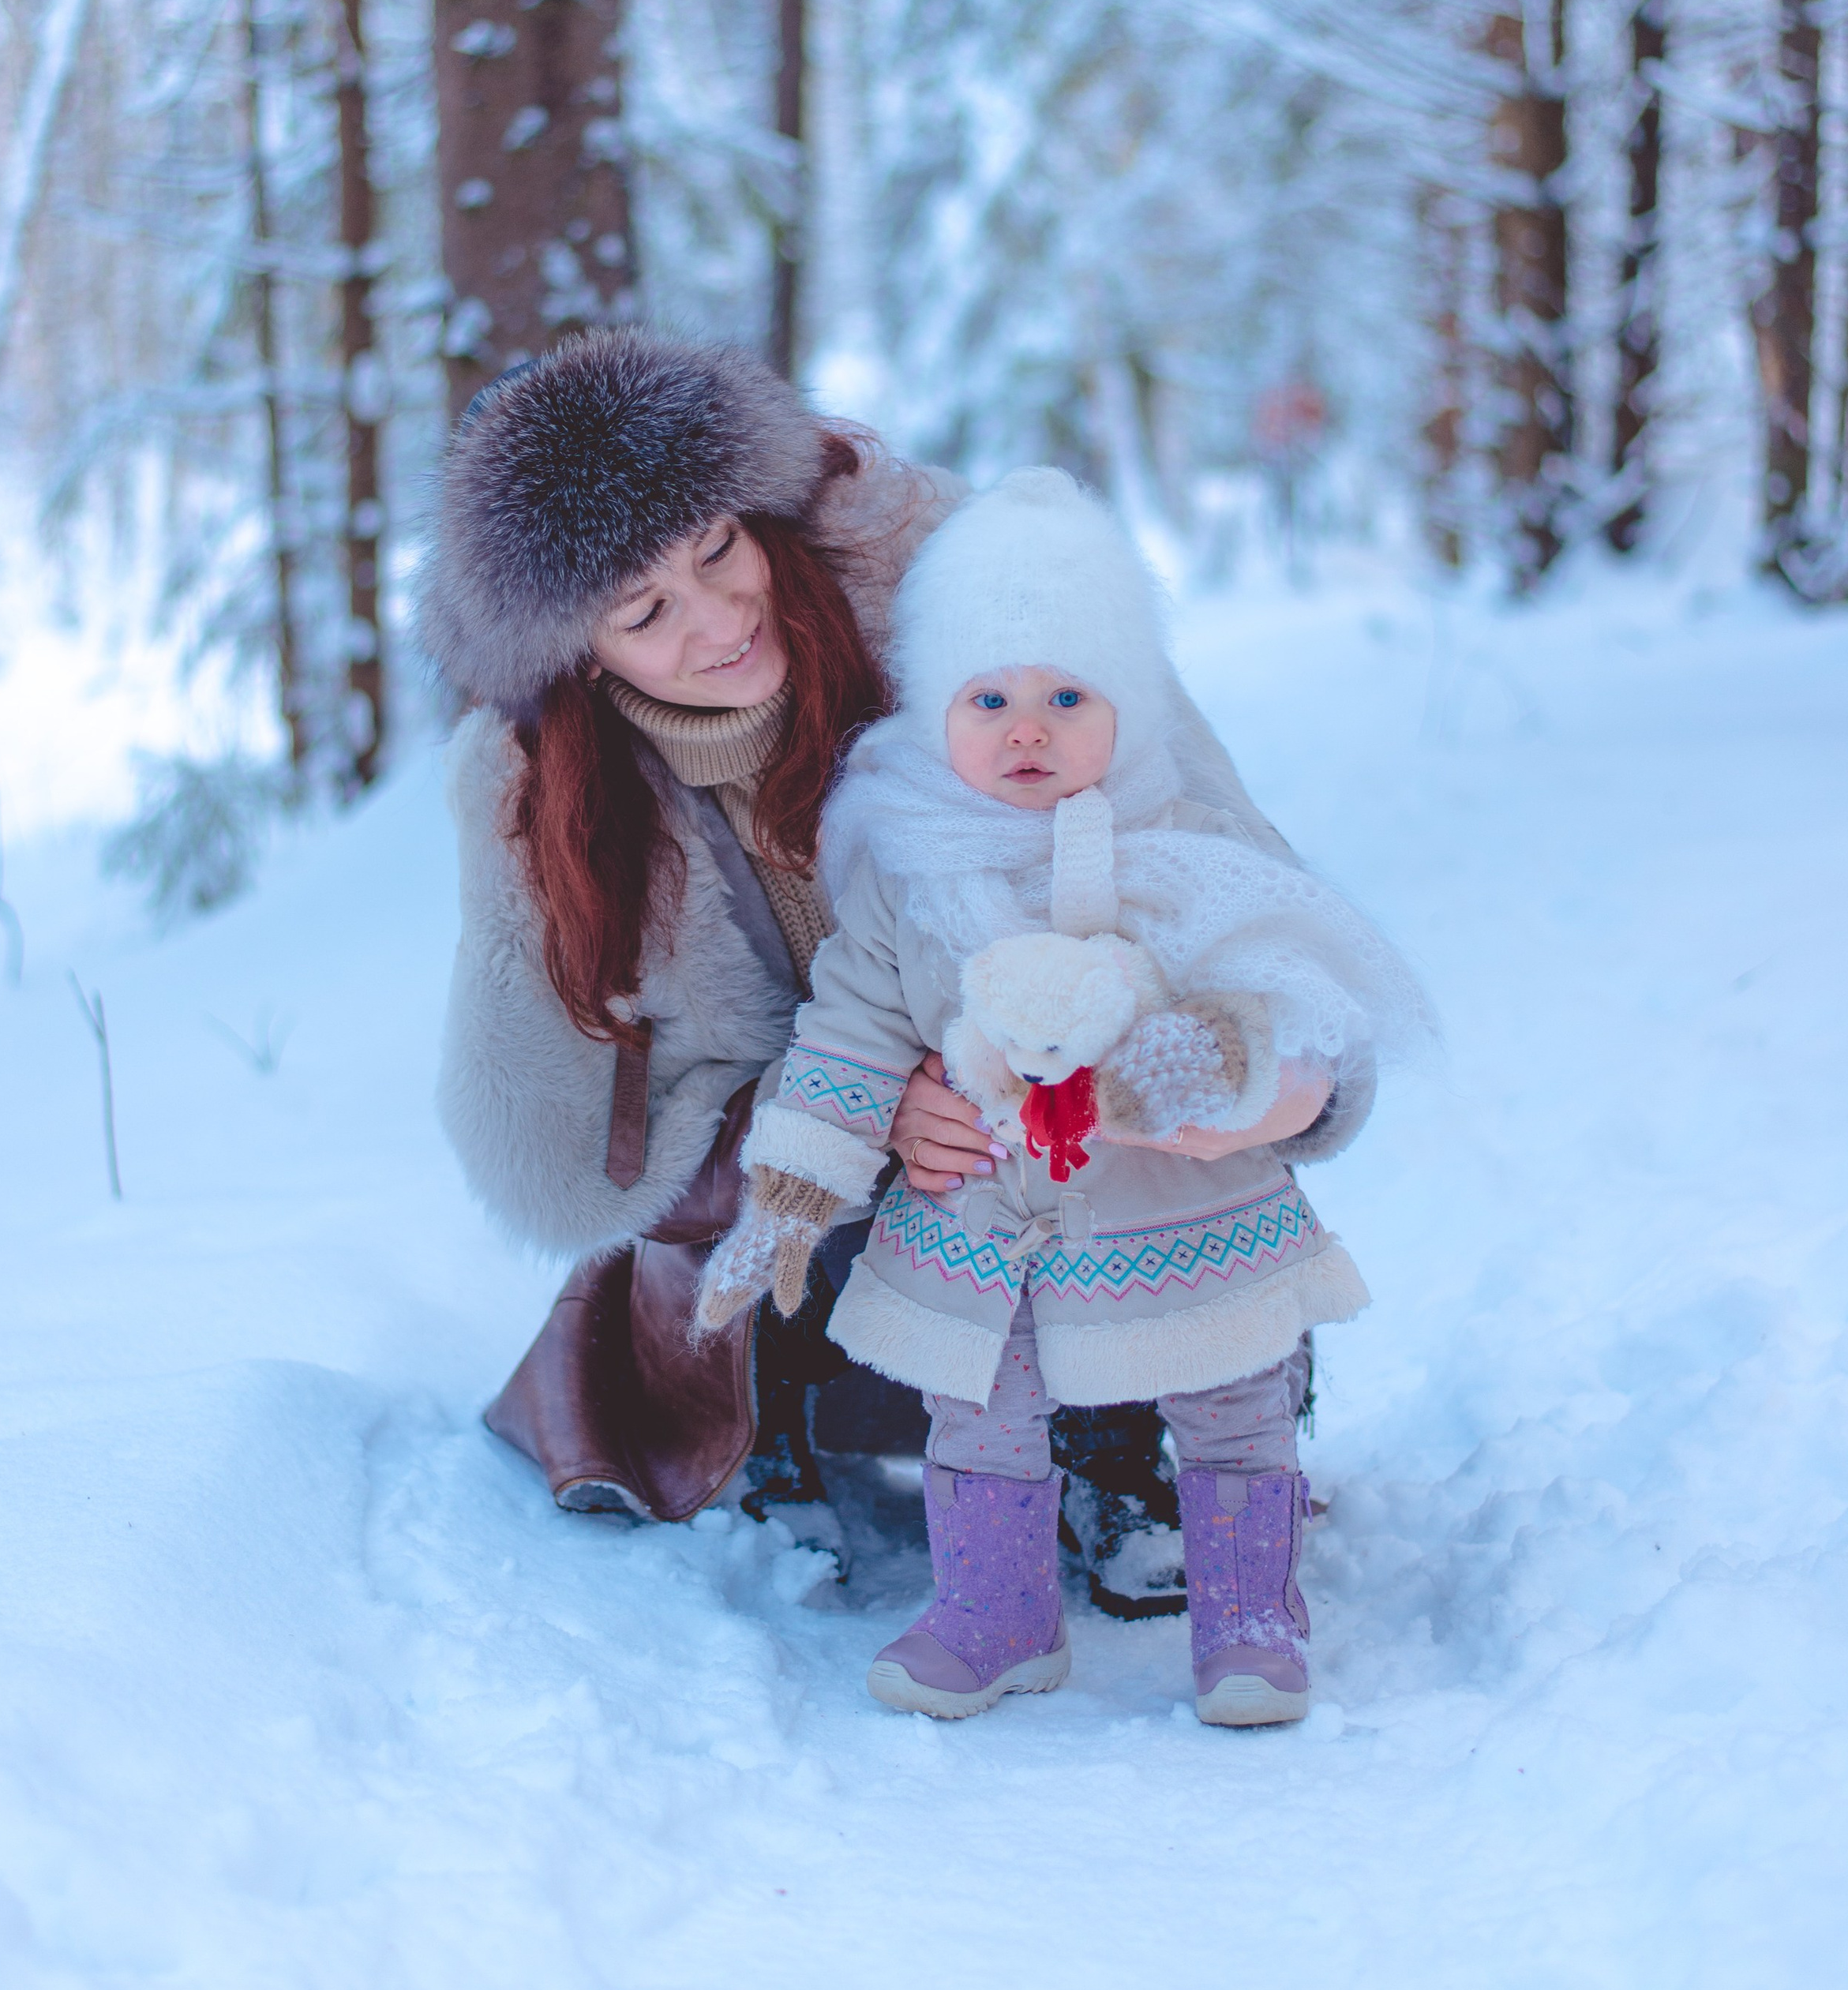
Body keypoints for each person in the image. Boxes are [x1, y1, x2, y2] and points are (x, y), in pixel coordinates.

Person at [422, 334, 1333, 1597]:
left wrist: (1236, 1064)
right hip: (825, 1195)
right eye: (646, 612)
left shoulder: (960, 594)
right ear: (580, 652)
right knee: (822, 1217)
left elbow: (1235, 878)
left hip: (1065, 1115)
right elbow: (556, 1142)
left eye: (720, 553)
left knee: (1100, 1146)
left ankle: (1134, 1445)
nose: (722, 621)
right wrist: (850, 1109)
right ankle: (835, 1438)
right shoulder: (542, 792)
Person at [699, 467, 1421, 1722]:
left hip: (1179, 1206)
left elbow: (1290, 984)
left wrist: (1223, 1050)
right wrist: (795, 1179)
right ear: (938, 708)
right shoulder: (901, 863)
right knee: (976, 1418)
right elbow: (853, 1027)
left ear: (1127, 709)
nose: (1026, 730)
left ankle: (1251, 1618)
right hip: (985, 1220)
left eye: (1066, 697)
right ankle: (997, 1616)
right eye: (990, 699)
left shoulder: (1188, 845)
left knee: (1233, 1401)